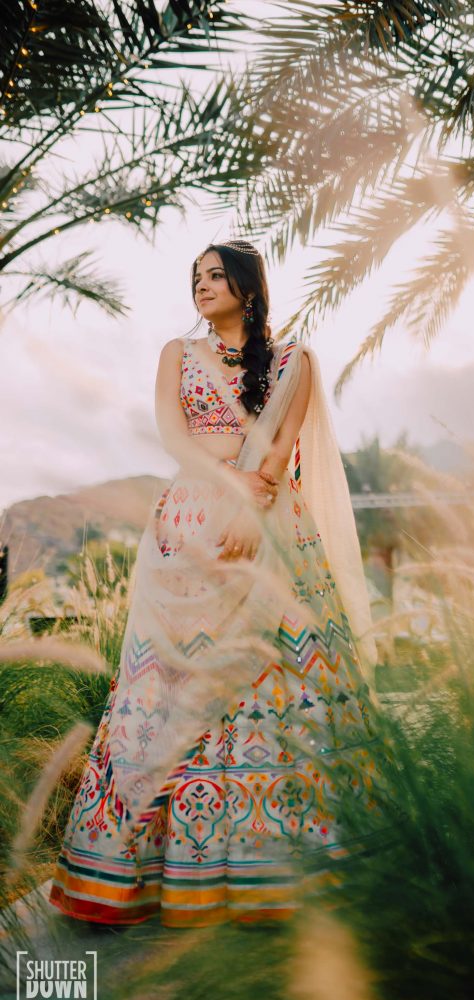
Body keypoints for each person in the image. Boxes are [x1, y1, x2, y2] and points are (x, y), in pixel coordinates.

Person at [48, 239, 390, 929]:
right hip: (188, 527)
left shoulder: (295, 362)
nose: (201, 286)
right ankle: (150, 874)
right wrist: (236, 487)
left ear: (247, 284)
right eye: (194, 276)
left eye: (214, 275)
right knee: (169, 678)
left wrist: (250, 509)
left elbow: (279, 445)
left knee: (276, 678)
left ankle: (277, 871)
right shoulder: (178, 353)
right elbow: (175, 440)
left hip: (271, 530)